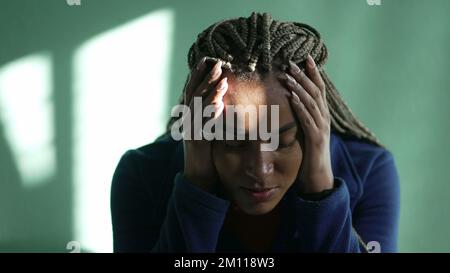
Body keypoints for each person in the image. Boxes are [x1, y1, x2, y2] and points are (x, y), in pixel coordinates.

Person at [110, 12, 400, 253]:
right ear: (202, 128)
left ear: (314, 124)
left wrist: (321, 188)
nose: (260, 169)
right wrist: (197, 182)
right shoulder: (141, 174)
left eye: (284, 140)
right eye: (234, 142)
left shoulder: (370, 170)